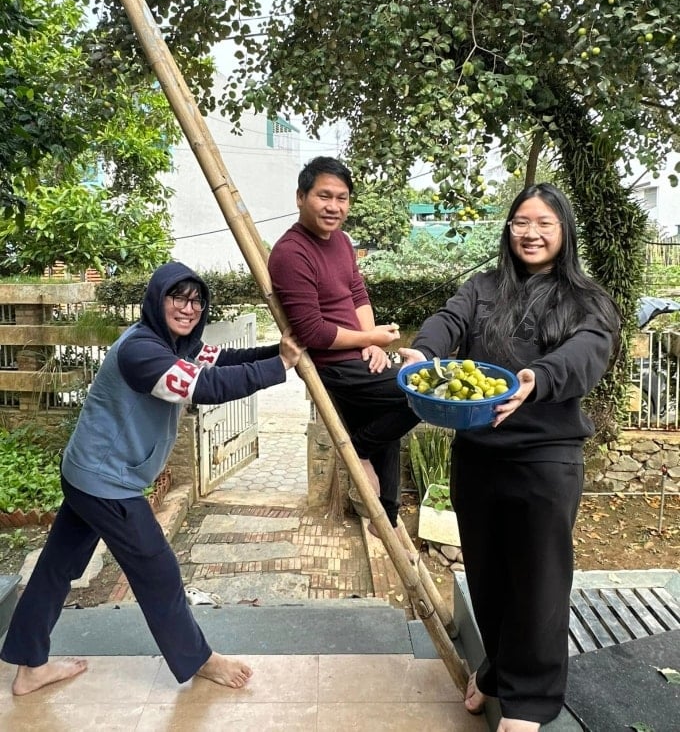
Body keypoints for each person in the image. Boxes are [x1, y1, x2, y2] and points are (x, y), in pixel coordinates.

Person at [1, 261, 303, 696]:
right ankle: (200, 659)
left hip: (89, 472)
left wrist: (279, 352)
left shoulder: (177, 344)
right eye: (177, 297)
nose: (189, 307)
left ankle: (29, 666)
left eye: (197, 299)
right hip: (106, 483)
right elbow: (205, 387)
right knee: (158, 570)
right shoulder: (141, 351)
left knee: (56, 568)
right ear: (156, 300)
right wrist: (279, 369)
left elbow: (228, 360)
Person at [399, 183, 620, 732]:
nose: (531, 233)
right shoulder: (483, 288)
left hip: (546, 459)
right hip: (478, 454)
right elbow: (449, 321)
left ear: (564, 231)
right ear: (509, 228)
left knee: (539, 581)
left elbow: (588, 352)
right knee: (488, 577)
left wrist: (537, 378)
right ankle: (498, 672)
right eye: (522, 222)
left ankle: (530, 702)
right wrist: (424, 350)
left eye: (544, 223)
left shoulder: (586, 299)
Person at [268, 156, 420, 531]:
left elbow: (356, 291)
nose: (334, 206)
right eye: (324, 196)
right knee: (424, 393)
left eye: (342, 198)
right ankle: (361, 447)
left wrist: (371, 345)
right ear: (301, 197)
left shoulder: (341, 241)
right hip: (334, 367)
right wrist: (370, 337)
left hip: (360, 357)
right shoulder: (290, 253)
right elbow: (313, 333)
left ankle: (387, 515)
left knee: (388, 428)